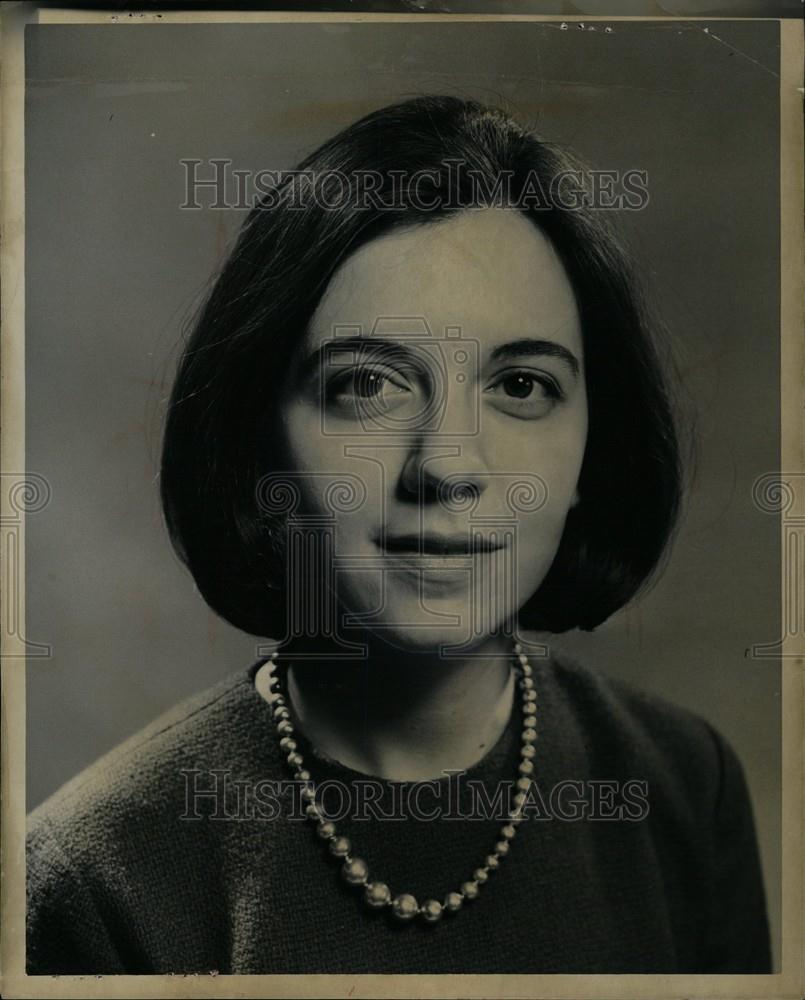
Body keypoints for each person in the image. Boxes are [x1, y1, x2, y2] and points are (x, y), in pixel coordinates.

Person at [26, 95, 771, 975]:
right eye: (369, 386)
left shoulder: (683, 786)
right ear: (260, 439)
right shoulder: (97, 878)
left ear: (589, 454)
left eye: (522, 386)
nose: (446, 465)